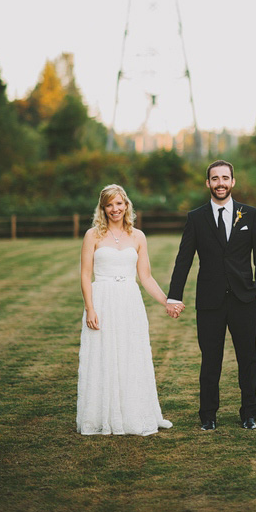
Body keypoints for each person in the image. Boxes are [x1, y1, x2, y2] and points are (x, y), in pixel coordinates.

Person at [167, 160, 256, 431]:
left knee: (247, 359)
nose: (220, 183)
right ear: (208, 183)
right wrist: (173, 296)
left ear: (233, 182)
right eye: (215, 178)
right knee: (210, 360)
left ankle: (249, 414)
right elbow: (183, 260)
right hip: (209, 302)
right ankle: (208, 416)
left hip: (243, 300)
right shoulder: (196, 218)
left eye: (225, 178)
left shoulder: (250, 215)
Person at [77, 184, 184, 435]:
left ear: (126, 205)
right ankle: (101, 415)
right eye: (109, 205)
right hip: (102, 300)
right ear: (103, 208)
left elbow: (145, 277)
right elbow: (84, 274)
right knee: (103, 355)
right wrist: (90, 308)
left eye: (119, 203)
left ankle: (133, 413)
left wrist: (167, 301)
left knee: (130, 355)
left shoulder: (138, 236)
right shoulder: (92, 235)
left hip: (129, 302)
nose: (115, 209)